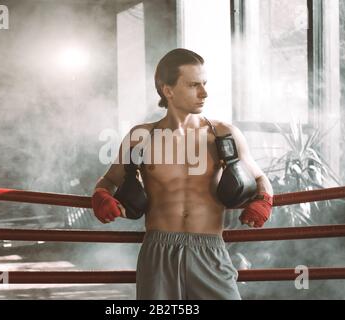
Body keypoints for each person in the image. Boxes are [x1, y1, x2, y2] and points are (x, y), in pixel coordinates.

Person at [91, 48, 274, 300]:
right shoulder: (141, 137)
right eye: (193, 85)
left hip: (209, 251)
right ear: (168, 90)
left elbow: (260, 178)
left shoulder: (223, 134)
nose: (204, 93)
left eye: (205, 84)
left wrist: (264, 201)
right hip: (158, 252)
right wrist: (101, 196)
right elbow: (109, 179)